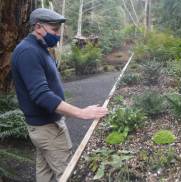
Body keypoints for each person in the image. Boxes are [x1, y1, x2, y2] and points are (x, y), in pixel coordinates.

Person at [11, 8, 108, 182]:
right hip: (47, 128)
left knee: (45, 172)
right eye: (54, 30)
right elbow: (42, 95)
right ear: (38, 27)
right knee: (67, 174)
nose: (58, 35)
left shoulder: (39, 47)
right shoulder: (28, 52)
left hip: (43, 127)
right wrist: (82, 113)